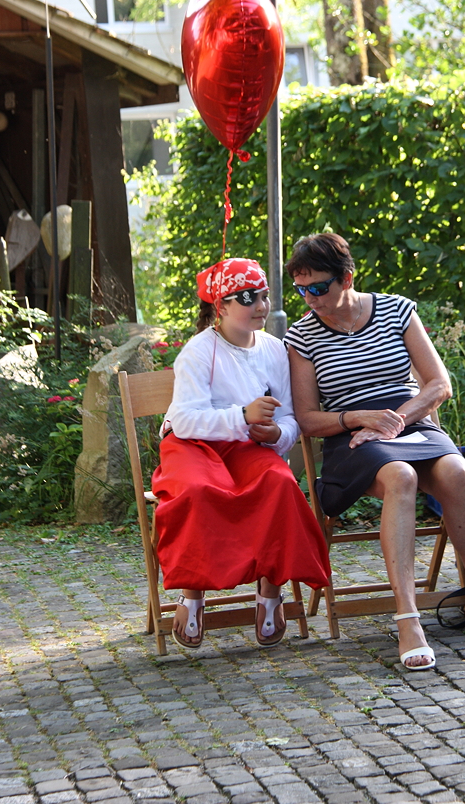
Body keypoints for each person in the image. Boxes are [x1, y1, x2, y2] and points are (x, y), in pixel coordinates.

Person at [283, 233, 465, 670]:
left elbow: (439, 384)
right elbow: (307, 419)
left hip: (411, 423)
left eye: (318, 287)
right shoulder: (302, 336)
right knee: (401, 476)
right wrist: (359, 418)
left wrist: (396, 420)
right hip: (351, 438)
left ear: (347, 278)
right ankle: (408, 619)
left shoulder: (397, 310)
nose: (310, 299)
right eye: (301, 289)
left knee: (456, 472)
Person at [152, 257, 330, 649]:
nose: (261, 306)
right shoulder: (199, 351)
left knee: (279, 484)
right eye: (249, 298)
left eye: (264, 296)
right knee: (198, 491)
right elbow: (184, 419)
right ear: (222, 306)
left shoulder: (274, 349)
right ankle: (192, 593)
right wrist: (242, 415)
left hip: (247, 444)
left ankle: (270, 592)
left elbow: (289, 417)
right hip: (192, 443)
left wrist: (276, 433)